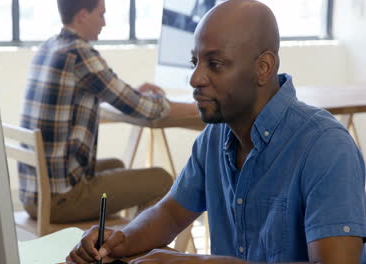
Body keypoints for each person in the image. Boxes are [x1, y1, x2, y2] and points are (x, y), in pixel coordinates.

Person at [67, 0, 366, 263]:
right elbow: (171, 213)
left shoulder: (326, 148)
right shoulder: (215, 137)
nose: (195, 78)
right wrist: (121, 240)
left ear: (263, 67)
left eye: (215, 64)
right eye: (195, 62)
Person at [18, 0, 197, 223]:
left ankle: (120, 239)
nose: (104, 22)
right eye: (101, 14)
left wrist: (133, 92)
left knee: (116, 166)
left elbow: (102, 92)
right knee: (160, 179)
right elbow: (144, 108)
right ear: (83, 15)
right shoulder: (80, 53)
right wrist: (195, 106)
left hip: (34, 194)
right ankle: (135, 248)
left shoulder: (50, 46)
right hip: (61, 200)